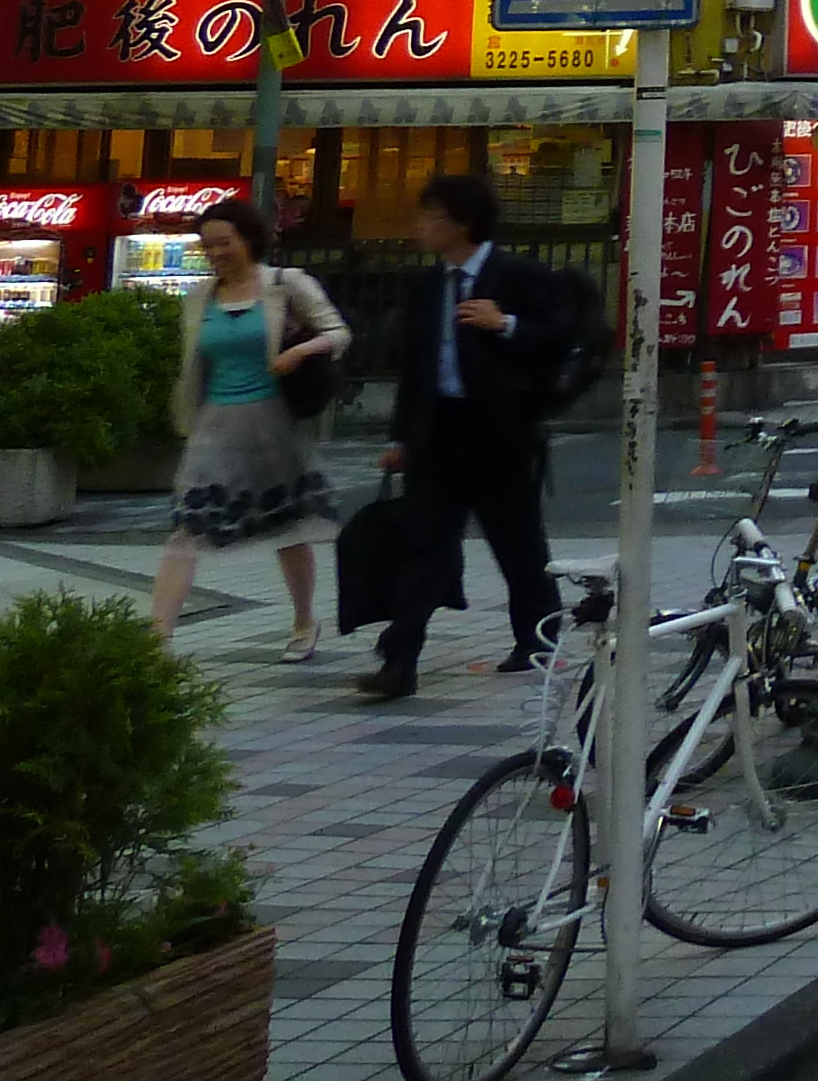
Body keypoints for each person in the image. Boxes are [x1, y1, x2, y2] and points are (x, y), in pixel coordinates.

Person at [362, 175, 573, 701]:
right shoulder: (428, 286)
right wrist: (401, 439)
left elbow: (562, 334)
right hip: (438, 432)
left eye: (430, 217)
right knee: (423, 545)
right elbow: (416, 368)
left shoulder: (516, 274)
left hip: (500, 432)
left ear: (462, 223)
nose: (420, 227)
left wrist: (506, 324)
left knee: (518, 543)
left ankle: (537, 640)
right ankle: (400, 660)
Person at [149, 197, 347, 660]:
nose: (216, 253)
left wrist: (298, 352)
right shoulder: (200, 297)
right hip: (215, 424)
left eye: (225, 243)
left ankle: (304, 622)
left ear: (249, 240)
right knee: (188, 529)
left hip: (274, 422)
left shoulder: (284, 284)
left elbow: (338, 333)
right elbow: (194, 362)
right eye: (207, 246)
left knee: (287, 525)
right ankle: (156, 641)